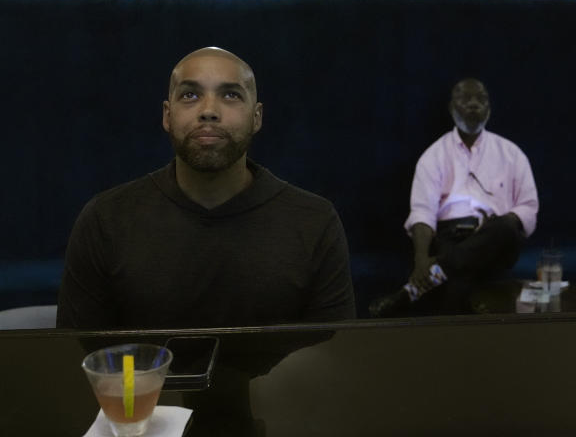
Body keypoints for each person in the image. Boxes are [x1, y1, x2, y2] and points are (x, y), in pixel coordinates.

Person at [57, 47, 355, 329]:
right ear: (167, 115)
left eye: (230, 95)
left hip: (281, 387)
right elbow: (76, 362)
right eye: (190, 95)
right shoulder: (106, 220)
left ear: (257, 117)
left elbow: (335, 364)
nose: (209, 111)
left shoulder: (314, 221)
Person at [370, 78, 538, 316]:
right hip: (451, 238)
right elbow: (422, 212)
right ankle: (439, 274)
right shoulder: (434, 155)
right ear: (451, 108)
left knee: (508, 226)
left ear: (489, 108)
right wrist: (420, 261)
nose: (473, 104)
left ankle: (418, 286)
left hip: (497, 240)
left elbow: (528, 208)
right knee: (456, 294)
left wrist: (432, 266)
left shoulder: (511, 154)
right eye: (465, 98)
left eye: (481, 99)